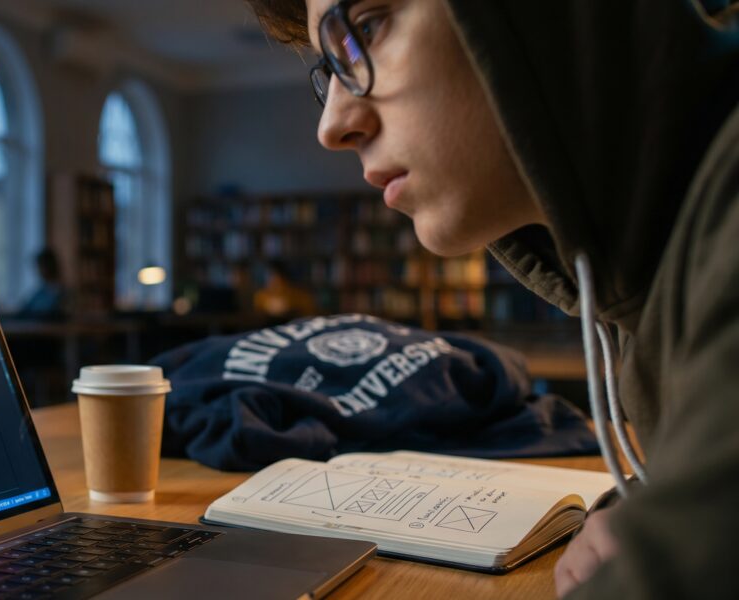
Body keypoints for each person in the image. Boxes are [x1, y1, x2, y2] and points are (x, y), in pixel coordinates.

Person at [241, 0, 739, 597]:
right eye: (332, 67)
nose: (332, 126)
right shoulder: (659, 261)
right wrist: (646, 500)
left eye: (366, 28)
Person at [14, 248, 68, 321]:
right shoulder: (41, 291)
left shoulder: (61, 294)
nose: (38, 271)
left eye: (40, 267)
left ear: (48, 267)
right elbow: (24, 310)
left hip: (44, 330)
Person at [253, 260, 317, 318]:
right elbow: (257, 315)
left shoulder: (297, 295)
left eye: (276, 278)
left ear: (284, 279)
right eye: (270, 277)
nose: (273, 282)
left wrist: (291, 307)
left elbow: (309, 314)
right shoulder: (261, 296)